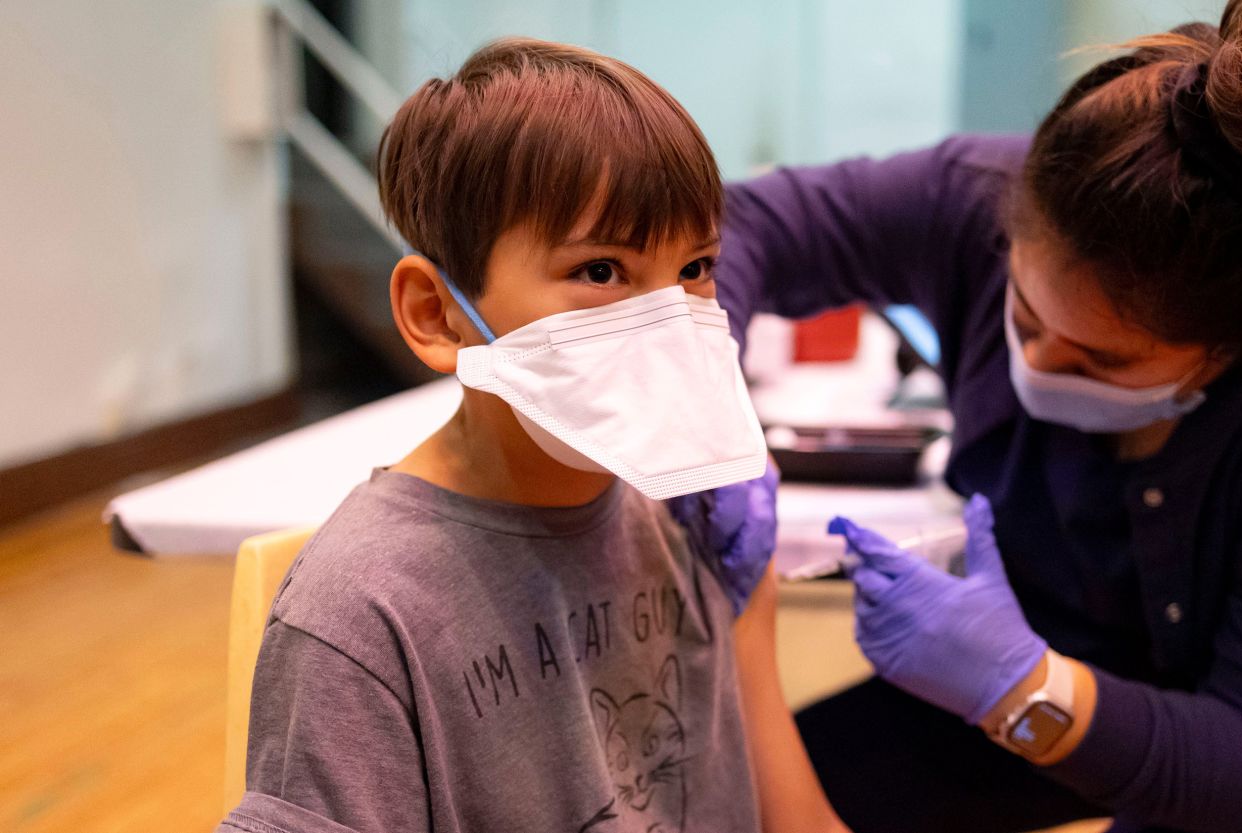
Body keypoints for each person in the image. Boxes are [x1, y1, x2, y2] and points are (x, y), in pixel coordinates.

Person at [716, 1, 1242, 831]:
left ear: (1233, 347)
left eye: (1102, 360)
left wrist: (1022, 687)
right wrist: (703, 413)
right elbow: (738, 224)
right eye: (1026, 317)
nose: (1037, 365)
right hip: (1077, 645)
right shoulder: (974, 199)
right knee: (761, 786)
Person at [217, 38, 841, 833]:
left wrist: (752, 610)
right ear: (437, 313)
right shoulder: (363, 610)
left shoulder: (681, 523)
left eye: (696, 268)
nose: (668, 319)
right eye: (602, 270)